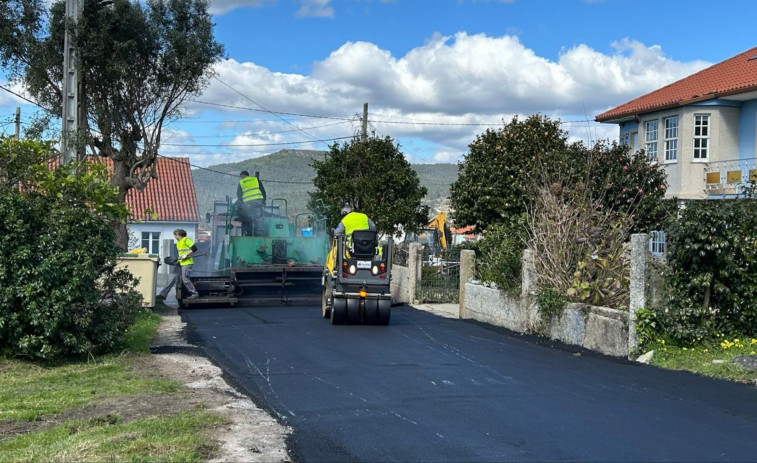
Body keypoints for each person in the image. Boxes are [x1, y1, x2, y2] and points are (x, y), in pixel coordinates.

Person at [326, 205, 377, 274]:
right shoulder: (364, 216)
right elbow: (374, 228)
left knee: (336, 250)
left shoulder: (345, 220)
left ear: (344, 213)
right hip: (368, 248)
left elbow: (337, 233)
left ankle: (332, 269)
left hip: (351, 248)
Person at [171, 229, 200, 299]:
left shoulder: (185, 240)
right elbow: (181, 253)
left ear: (178, 234)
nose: (174, 237)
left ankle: (194, 293)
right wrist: (178, 260)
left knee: (185, 279)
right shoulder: (179, 242)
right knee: (177, 278)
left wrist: (186, 255)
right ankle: (181, 294)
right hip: (182, 263)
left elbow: (194, 248)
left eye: (175, 235)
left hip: (187, 263)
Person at [237, 171, 266, 236]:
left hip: (248, 202)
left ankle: (248, 233)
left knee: (248, 217)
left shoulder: (241, 182)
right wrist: (264, 200)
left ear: (242, 175)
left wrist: (242, 202)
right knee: (258, 216)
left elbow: (238, 194)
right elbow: (262, 190)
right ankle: (259, 231)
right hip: (258, 201)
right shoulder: (255, 179)